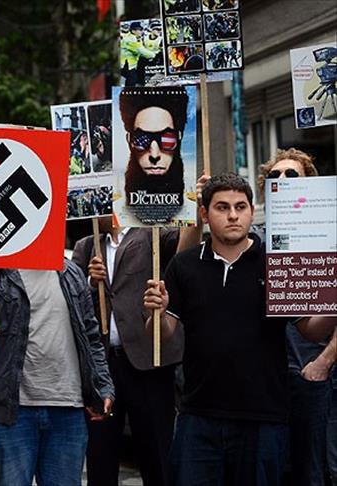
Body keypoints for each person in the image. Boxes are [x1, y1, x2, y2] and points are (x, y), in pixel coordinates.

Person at [143, 172, 336, 485]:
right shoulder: (184, 264)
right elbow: (162, 335)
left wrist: (331, 299)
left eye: (240, 207)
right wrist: (157, 312)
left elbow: (311, 331)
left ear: (252, 209)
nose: (233, 215)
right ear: (204, 213)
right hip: (198, 416)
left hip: (263, 418)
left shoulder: (276, 263)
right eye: (222, 207)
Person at [72, 174, 207, 486]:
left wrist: (195, 211)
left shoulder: (151, 234)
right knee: (101, 454)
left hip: (149, 361)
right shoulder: (86, 246)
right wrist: (90, 282)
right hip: (103, 367)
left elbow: (185, 250)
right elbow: (72, 303)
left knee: (156, 452)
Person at [0, 259, 115, 486]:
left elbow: (91, 337)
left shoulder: (71, 273)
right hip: (12, 412)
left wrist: (103, 385)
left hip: (68, 410)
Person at [257, 148, 336, 486]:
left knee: (312, 469)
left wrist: (325, 361)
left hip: (314, 370)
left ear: (309, 184)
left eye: (292, 175)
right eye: (274, 176)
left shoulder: (328, 235)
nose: (282, 180)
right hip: (266, 376)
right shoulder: (253, 240)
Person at [119, 87, 188, 224]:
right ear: (129, 141)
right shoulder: (116, 212)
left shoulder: (194, 209)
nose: (154, 155)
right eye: (142, 140)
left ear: (179, 138)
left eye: (167, 139)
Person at [120, 22, 156, 87]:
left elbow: (141, 51)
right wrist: (154, 55)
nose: (142, 31)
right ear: (133, 31)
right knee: (132, 80)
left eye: (142, 29)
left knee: (134, 78)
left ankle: (139, 84)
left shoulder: (136, 38)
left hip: (131, 64)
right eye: (140, 29)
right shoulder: (129, 40)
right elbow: (140, 50)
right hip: (126, 64)